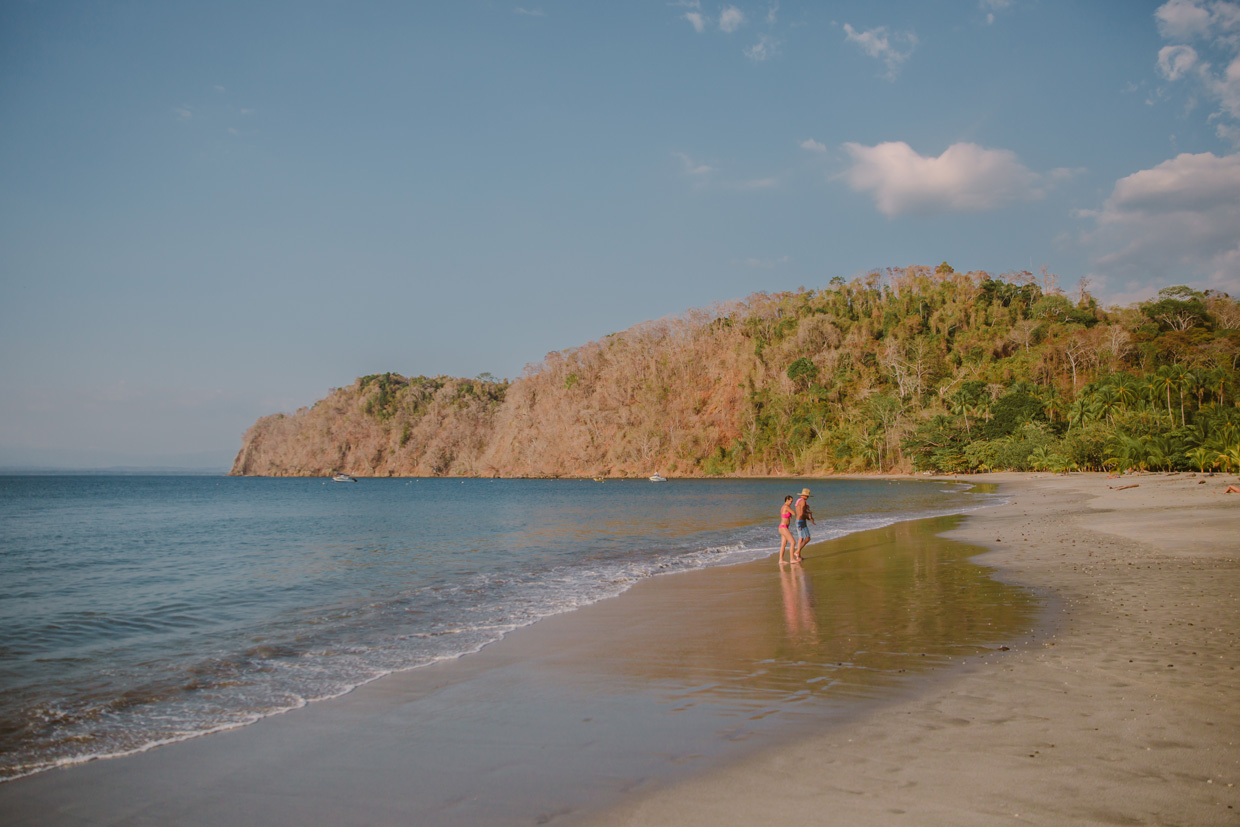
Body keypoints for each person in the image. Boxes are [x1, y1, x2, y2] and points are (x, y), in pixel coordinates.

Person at [793, 487, 815, 562]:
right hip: (800, 521)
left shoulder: (799, 500)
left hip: (801, 521)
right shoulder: (802, 501)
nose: (808, 497)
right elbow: (801, 512)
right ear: (805, 495)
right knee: (804, 538)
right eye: (808, 496)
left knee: (804, 538)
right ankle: (797, 552)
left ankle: (798, 554)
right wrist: (808, 517)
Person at [777, 495, 796, 563]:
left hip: (783, 527)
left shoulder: (784, 506)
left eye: (792, 501)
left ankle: (781, 560)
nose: (791, 502)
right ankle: (792, 559)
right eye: (791, 501)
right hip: (783, 527)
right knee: (793, 542)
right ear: (787, 500)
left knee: (784, 544)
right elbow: (794, 513)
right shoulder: (786, 507)